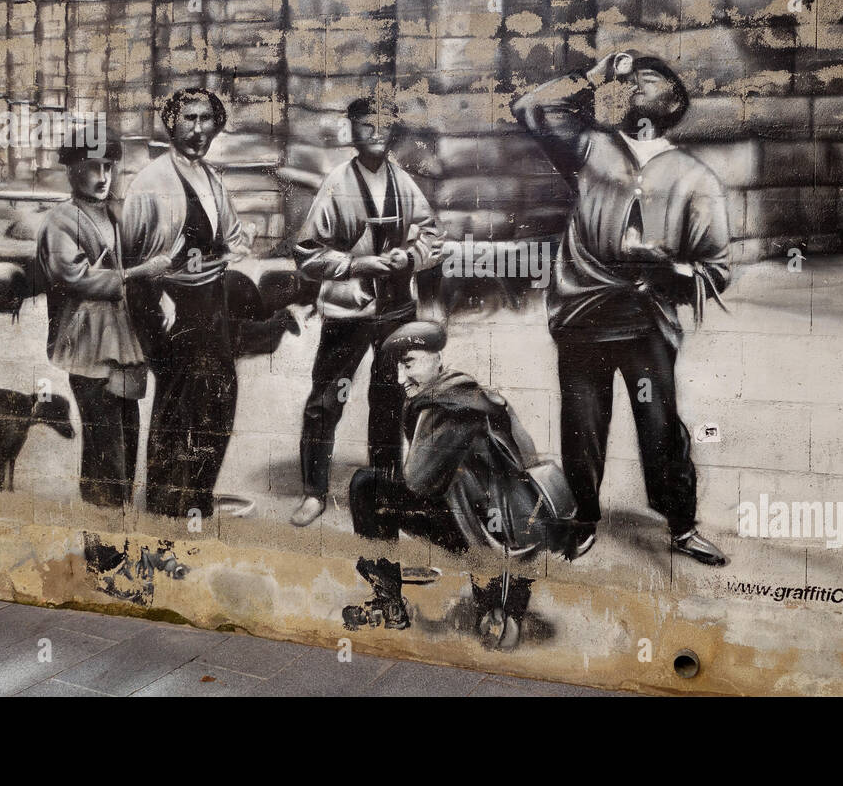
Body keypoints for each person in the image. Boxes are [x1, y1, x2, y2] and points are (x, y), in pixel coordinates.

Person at [512, 50, 733, 566]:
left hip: (645, 322)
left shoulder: (694, 177)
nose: (636, 83)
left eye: (650, 79)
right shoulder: (592, 147)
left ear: (673, 101)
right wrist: (595, 73)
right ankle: (584, 517)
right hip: (583, 312)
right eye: (633, 77)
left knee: (659, 426)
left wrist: (667, 269)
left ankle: (681, 525)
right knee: (582, 424)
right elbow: (529, 107)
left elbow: (716, 268)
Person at [343, 320, 575, 648]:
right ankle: (498, 602)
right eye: (395, 367)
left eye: (409, 364)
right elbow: (526, 454)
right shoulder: (476, 394)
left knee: (366, 486)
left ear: (437, 358)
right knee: (496, 618)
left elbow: (418, 482)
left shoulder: (446, 406)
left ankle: (389, 601)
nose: (399, 378)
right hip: (513, 531)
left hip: (487, 538)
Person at [289, 98, 444, 527]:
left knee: (389, 400)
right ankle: (313, 492)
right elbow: (306, 255)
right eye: (365, 125)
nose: (375, 132)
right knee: (326, 400)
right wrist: (358, 265)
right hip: (349, 311)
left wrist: (409, 258)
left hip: (397, 310)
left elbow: (433, 237)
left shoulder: (404, 182)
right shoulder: (337, 183)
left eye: (383, 124)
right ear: (351, 131)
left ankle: (385, 490)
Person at [121, 89, 254, 519]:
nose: (199, 130)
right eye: (189, 119)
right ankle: (166, 506)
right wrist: (153, 327)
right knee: (176, 405)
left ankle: (198, 497)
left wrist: (230, 250)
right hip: (170, 307)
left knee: (219, 399)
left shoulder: (212, 179)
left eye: (207, 120)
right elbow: (131, 259)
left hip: (210, 308)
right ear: (170, 124)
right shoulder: (150, 183)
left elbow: (233, 237)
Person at [36, 136, 172, 507]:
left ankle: (116, 513)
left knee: (126, 432)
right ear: (72, 171)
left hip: (122, 340)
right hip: (87, 343)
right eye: (93, 168)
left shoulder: (113, 214)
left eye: (108, 168)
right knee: (104, 437)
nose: (103, 177)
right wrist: (139, 271)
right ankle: (105, 527)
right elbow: (75, 278)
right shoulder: (60, 221)